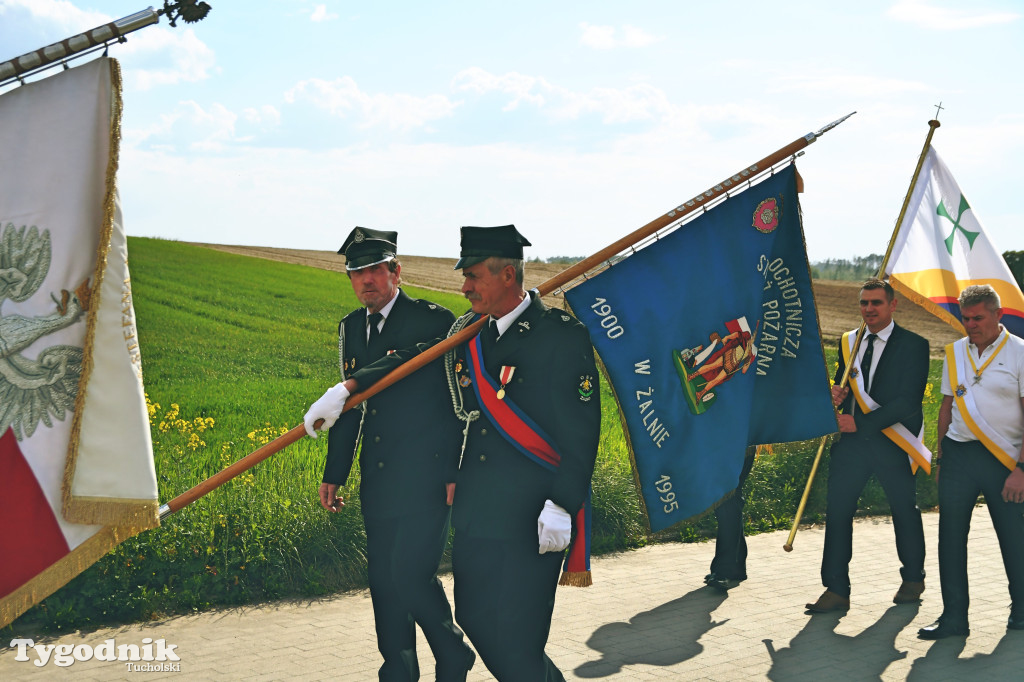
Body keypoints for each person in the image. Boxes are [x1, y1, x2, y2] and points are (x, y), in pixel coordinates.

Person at [305, 224, 601, 681]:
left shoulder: (560, 334)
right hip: (477, 509)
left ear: (507, 275)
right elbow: (415, 357)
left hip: (534, 510)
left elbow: (582, 432)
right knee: (477, 623)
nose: (463, 287)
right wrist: (348, 389)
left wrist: (564, 503)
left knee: (520, 645)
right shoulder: (468, 333)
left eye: (474, 277)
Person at [304, 227, 475, 681]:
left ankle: (452, 652)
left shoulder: (433, 321)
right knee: (384, 580)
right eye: (356, 274)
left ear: (396, 271)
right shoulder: (350, 328)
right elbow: (348, 409)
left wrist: (454, 469)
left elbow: (454, 406)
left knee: (411, 573)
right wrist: (335, 473)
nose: (365, 282)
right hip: (377, 477)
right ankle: (398, 669)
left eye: (374, 271)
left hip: (428, 474)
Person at [805, 278, 930, 613]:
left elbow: (908, 402)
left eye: (876, 302)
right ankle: (835, 589)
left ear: (892, 305)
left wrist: (860, 422)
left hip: (893, 443)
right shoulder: (851, 341)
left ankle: (913, 577)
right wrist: (836, 392)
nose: (869, 309)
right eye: (864, 303)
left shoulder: (914, 345)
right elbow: (842, 381)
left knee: (903, 510)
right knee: (838, 511)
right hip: (852, 446)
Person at [918, 284, 1024, 640]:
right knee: (949, 538)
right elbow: (947, 407)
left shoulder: (1021, 353)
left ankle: (1022, 610)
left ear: (999, 315)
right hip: (959, 455)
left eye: (978, 318)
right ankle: (954, 619)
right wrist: (940, 459)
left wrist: (1021, 471)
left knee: (1014, 538)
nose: (971, 325)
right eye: (966, 318)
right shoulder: (954, 352)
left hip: (1004, 460)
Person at [704, 447, 755, 591]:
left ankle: (724, 571)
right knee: (728, 499)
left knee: (727, 498)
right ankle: (736, 566)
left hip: (738, 442)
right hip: (729, 442)